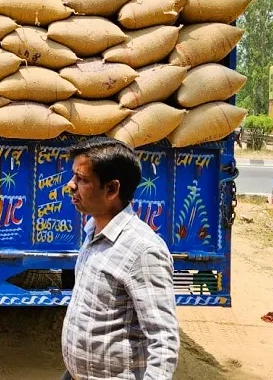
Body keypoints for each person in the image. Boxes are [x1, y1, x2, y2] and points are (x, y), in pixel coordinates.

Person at [61, 137, 179, 380]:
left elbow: (164, 340)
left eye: (82, 179)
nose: (70, 185)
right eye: (74, 176)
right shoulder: (93, 230)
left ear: (112, 189)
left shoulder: (143, 250)